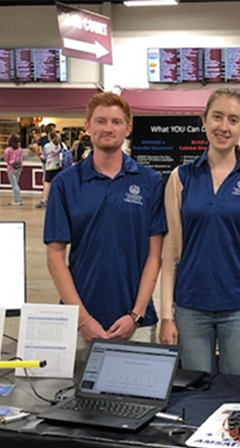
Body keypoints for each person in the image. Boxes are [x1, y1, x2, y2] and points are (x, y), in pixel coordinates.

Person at [159, 89, 240, 375]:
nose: (224, 126)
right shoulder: (181, 177)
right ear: (204, 120)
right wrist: (166, 316)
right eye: (217, 117)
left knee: (235, 395)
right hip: (191, 305)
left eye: (233, 120)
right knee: (196, 392)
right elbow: (170, 252)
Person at [44, 92, 166, 352]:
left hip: (136, 324)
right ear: (87, 126)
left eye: (116, 122)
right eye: (100, 121)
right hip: (79, 323)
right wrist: (83, 319)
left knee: (136, 392)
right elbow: (55, 254)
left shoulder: (150, 181)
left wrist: (136, 315)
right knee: (70, 393)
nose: (108, 128)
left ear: (128, 128)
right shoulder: (65, 184)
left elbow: (155, 255)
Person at [36, 131, 63, 208]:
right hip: (59, 166)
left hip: (50, 167)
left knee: (47, 184)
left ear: (49, 138)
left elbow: (43, 157)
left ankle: (44, 200)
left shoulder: (47, 146)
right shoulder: (61, 144)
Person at [4, 134, 23, 206]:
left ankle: (17, 200)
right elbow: (21, 159)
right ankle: (17, 198)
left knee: (14, 185)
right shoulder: (20, 149)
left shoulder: (8, 150)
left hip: (11, 168)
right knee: (16, 184)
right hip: (18, 168)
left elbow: (6, 159)